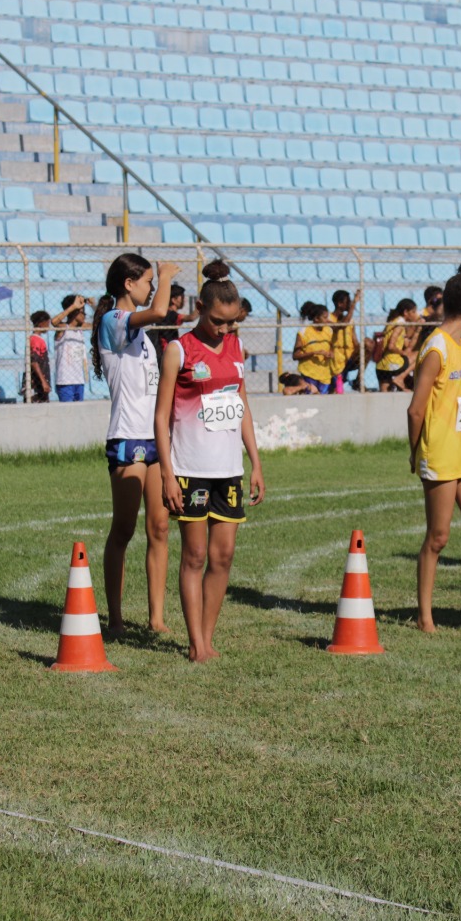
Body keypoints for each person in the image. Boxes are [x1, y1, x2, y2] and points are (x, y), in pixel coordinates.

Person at [154, 261, 265, 663]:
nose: (224, 330)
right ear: (200, 307)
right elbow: (161, 415)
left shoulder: (235, 348)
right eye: (218, 321)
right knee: (195, 556)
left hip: (228, 471)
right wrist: (167, 473)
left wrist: (255, 461)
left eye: (232, 323)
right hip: (190, 470)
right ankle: (195, 642)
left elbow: (242, 405)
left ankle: (208, 635)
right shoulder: (178, 350)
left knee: (223, 557)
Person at [408, 254, 461, 634]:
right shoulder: (437, 347)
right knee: (438, 537)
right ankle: (425, 617)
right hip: (440, 455)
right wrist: (417, 454)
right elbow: (415, 410)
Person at [92, 253, 175, 636]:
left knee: (159, 527)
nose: (152, 287)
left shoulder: (139, 333)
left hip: (154, 439)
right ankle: (115, 615)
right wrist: (168, 274)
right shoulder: (114, 321)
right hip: (127, 438)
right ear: (128, 283)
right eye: (147, 281)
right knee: (123, 529)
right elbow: (160, 311)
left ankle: (156, 616)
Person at [374, 299, 419, 392]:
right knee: (420, 355)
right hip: (393, 363)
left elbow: (408, 345)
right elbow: (391, 346)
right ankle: (400, 378)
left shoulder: (392, 322)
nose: (416, 314)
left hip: (381, 365)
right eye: (413, 312)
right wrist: (402, 353)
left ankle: (398, 383)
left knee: (384, 394)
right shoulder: (399, 325)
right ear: (406, 312)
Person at [292, 302, 336, 393]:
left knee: (323, 404)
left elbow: (332, 347)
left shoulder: (329, 331)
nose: (327, 320)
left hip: (325, 375)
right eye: (324, 318)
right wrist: (313, 353)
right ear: (316, 319)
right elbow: (295, 355)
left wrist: (331, 353)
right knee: (310, 402)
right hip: (309, 374)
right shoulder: (304, 332)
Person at [52, 295, 90, 402]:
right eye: (82, 312)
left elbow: (99, 323)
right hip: (65, 381)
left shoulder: (80, 329)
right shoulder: (63, 328)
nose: (85, 315)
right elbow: (54, 322)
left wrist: (94, 305)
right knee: (67, 413)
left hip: (79, 380)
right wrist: (73, 306)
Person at [329, 288, 363, 390]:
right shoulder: (329, 319)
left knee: (368, 344)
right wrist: (354, 304)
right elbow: (343, 325)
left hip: (350, 356)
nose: (350, 305)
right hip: (336, 357)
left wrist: (361, 350)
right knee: (334, 389)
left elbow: (355, 339)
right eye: (348, 302)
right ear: (339, 304)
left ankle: (358, 380)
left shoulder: (351, 320)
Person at [27, 310, 52, 400]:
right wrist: (43, 381)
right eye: (47, 323)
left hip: (40, 382)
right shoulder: (35, 340)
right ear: (41, 323)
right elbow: (34, 361)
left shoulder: (38, 339)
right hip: (36, 384)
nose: (49, 326)